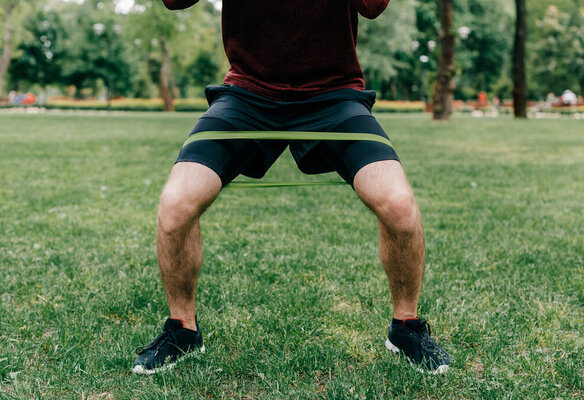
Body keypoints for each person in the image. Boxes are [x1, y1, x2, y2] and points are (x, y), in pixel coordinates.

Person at [132, 0, 450, 375]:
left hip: (334, 96)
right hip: (248, 95)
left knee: (398, 205)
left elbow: (373, 6)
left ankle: (406, 328)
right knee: (175, 204)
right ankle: (182, 331)